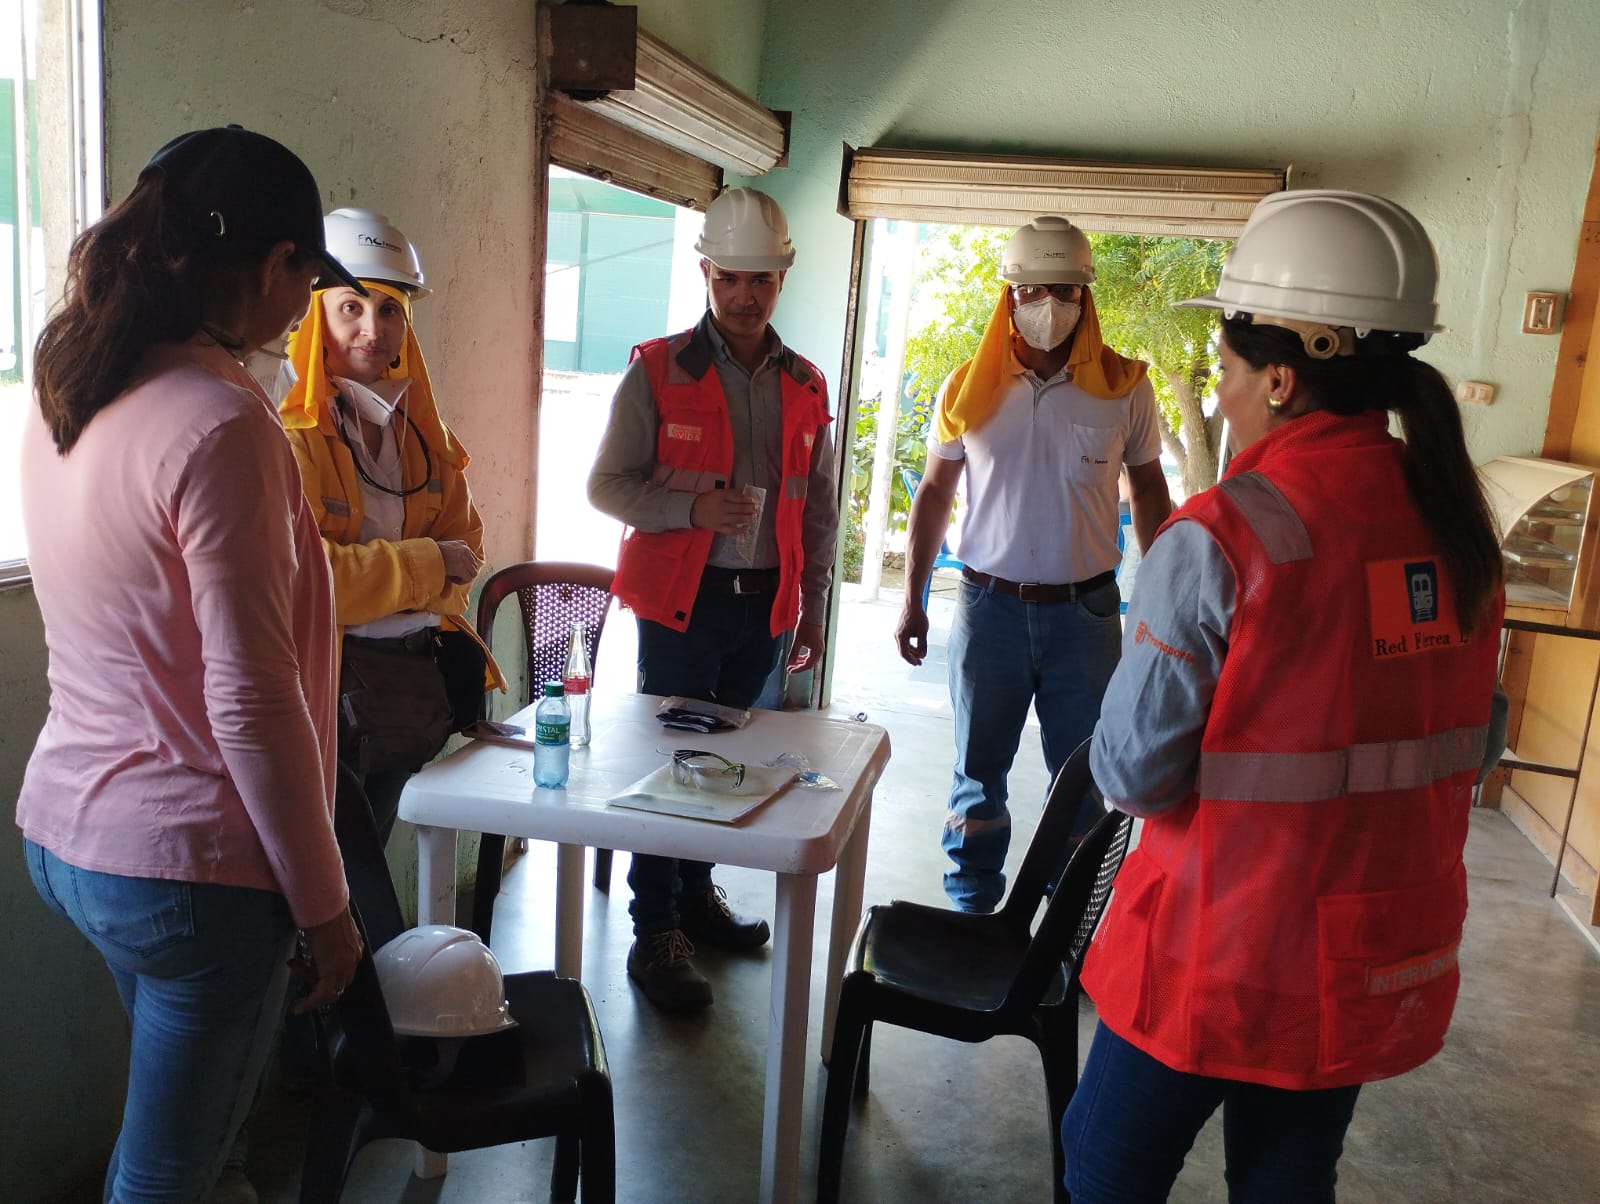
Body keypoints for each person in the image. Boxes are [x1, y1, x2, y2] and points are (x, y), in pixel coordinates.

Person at [1060, 191, 1508, 1203]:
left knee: (1105, 1168)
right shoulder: (1455, 524)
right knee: (1288, 1181)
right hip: (1366, 949)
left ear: (1280, 376)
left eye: (1223, 370)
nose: (1218, 394)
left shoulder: (1225, 535)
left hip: (1221, 951)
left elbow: (1131, 773)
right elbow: (1472, 744)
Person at [17, 126, 363, 1202]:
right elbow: (251, 701)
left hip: (69, 839)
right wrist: (327, 908)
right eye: (308, 282)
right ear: (275, 267)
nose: (305, 309)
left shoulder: (67, 393)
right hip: (189, 870)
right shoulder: (223, 426)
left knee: (181, 1144)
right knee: (166, 1173)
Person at [588, 188, 839, 1011]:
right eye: (730, 277)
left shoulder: (805, 384)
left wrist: (811, 607)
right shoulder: (660, 370)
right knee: (669, 769)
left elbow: (819, 508)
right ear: (705, 273)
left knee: (728, 768)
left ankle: (696, 896)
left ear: (781, 280)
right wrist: (692, 509)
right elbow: (607, 485)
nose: (744, 296)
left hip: (763, 607)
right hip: (682, 605)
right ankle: (654, 929)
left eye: (761, 279)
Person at [895, 216, 1172, 913]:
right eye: (1032, 290)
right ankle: (970, 913)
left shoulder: (1125, 389)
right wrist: (912, 598)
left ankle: (1064, 939)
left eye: (1064, 290)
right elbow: (934, 493)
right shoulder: (969, 388)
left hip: (1087, 616)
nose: (1048, 304)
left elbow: (1149, 491)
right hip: (987, 610)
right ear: (1009, 297)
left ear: (1086, 297)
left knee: (1082, 781)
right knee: (976, 776)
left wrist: (1163, 596)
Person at [279, 208, 502, 845]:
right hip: (327, 685)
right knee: (329, 859)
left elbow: (469, 547)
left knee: (369, 847)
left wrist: (384, 582)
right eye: (350, 307)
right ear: (314, 316)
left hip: (408, 684)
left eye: (389, 309)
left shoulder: (422, 433)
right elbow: (309, 579)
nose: (372, 329)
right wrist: (427, 566)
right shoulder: (288, 437)